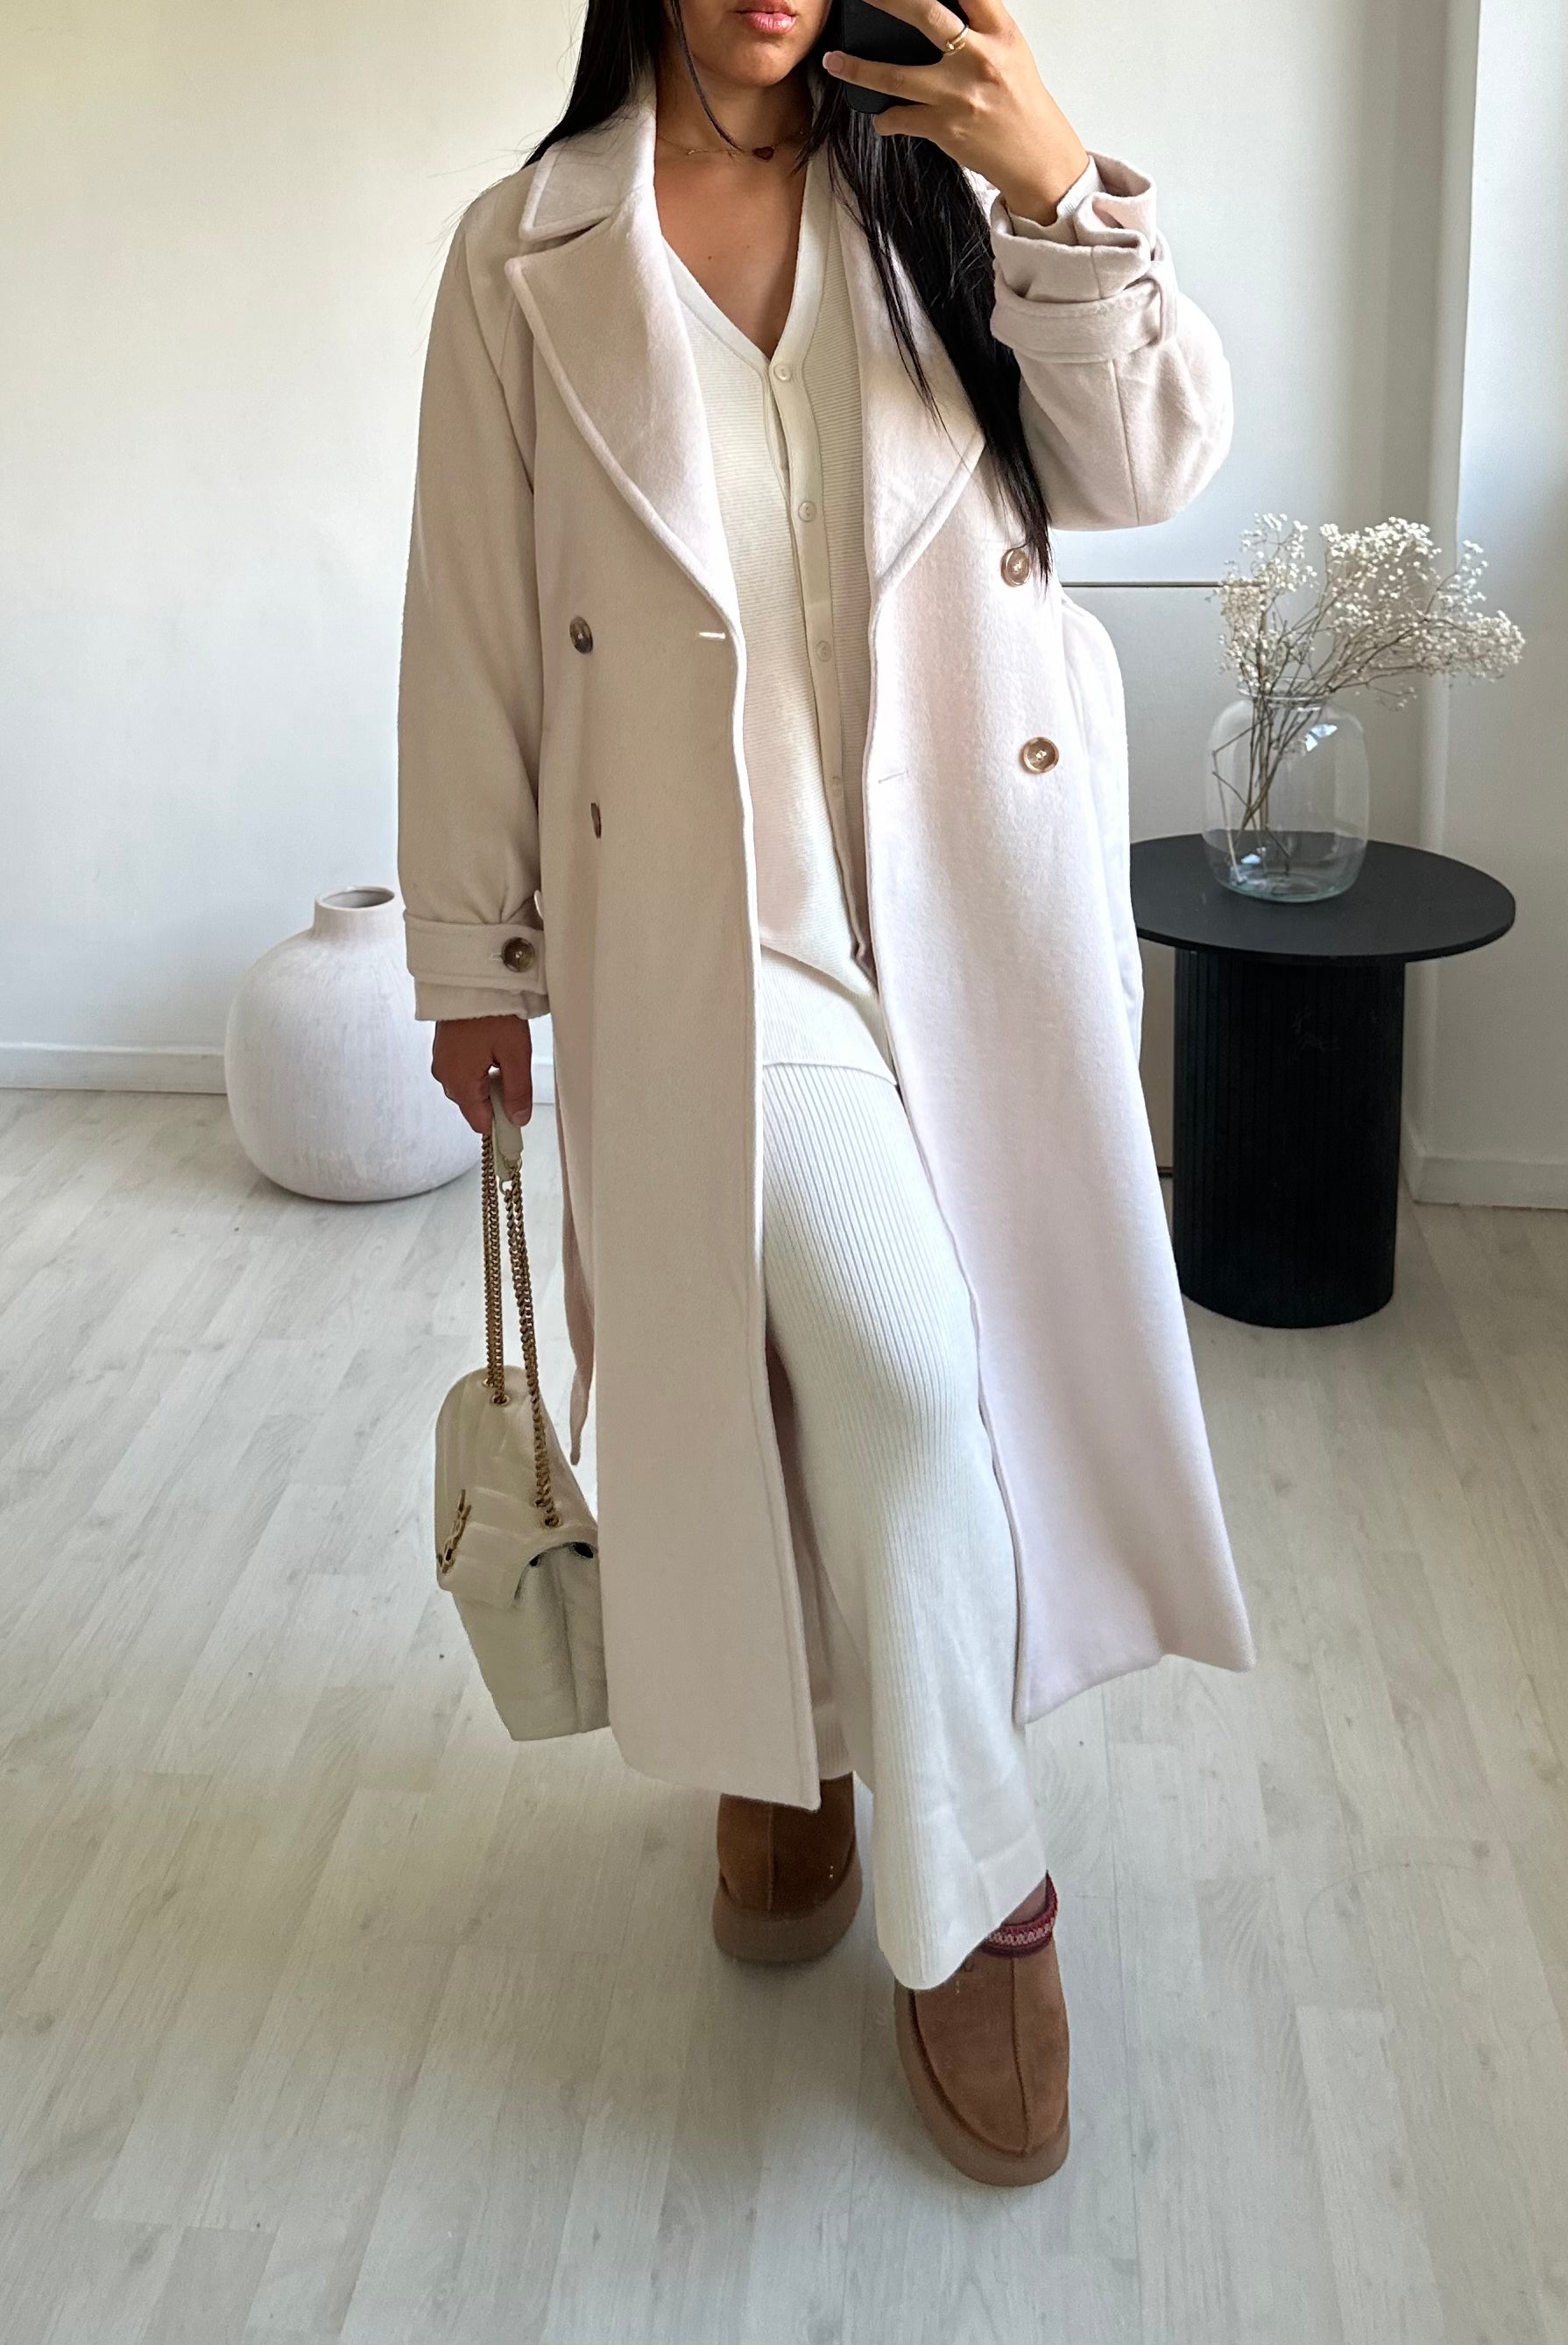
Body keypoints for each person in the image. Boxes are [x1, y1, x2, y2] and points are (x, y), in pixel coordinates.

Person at [398, 0, 1256, 2187]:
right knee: (893, 1359)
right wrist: (471, 950)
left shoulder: (950, 208)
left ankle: (795, 1750)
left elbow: (1149, 471)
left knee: (853, 1367)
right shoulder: (526, 249)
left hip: (974, 905)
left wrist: (1057, 185)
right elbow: (471, 618)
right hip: (719, 940)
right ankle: (981, 1898)